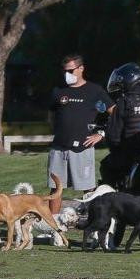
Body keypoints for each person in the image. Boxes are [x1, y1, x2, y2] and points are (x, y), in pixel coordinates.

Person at [47, 54, 114, 214]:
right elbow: (51, 114)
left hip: (82, 148)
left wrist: (101, 134)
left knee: (88, 189)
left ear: (81, 68)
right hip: (59, 147)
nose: (67, 74)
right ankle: (53, 227)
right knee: (56, 188)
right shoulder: (58, 91)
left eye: (70, 70)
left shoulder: (95, 91)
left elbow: (115, 113)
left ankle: (93, 225)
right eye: (65, 71)